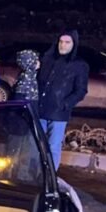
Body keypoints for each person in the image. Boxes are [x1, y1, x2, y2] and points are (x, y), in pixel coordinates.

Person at [37, 31, 89, 170]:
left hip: (59, 114)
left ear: (74, 44)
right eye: (61, 41)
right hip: (41, 110)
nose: (63, 45)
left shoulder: (79, 65)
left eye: (67, 42)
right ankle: (36, 174)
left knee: (53, 146)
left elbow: (81, 90)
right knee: (38, 145)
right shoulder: (48, 59)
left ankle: (51, 177)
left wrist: (65, 104)